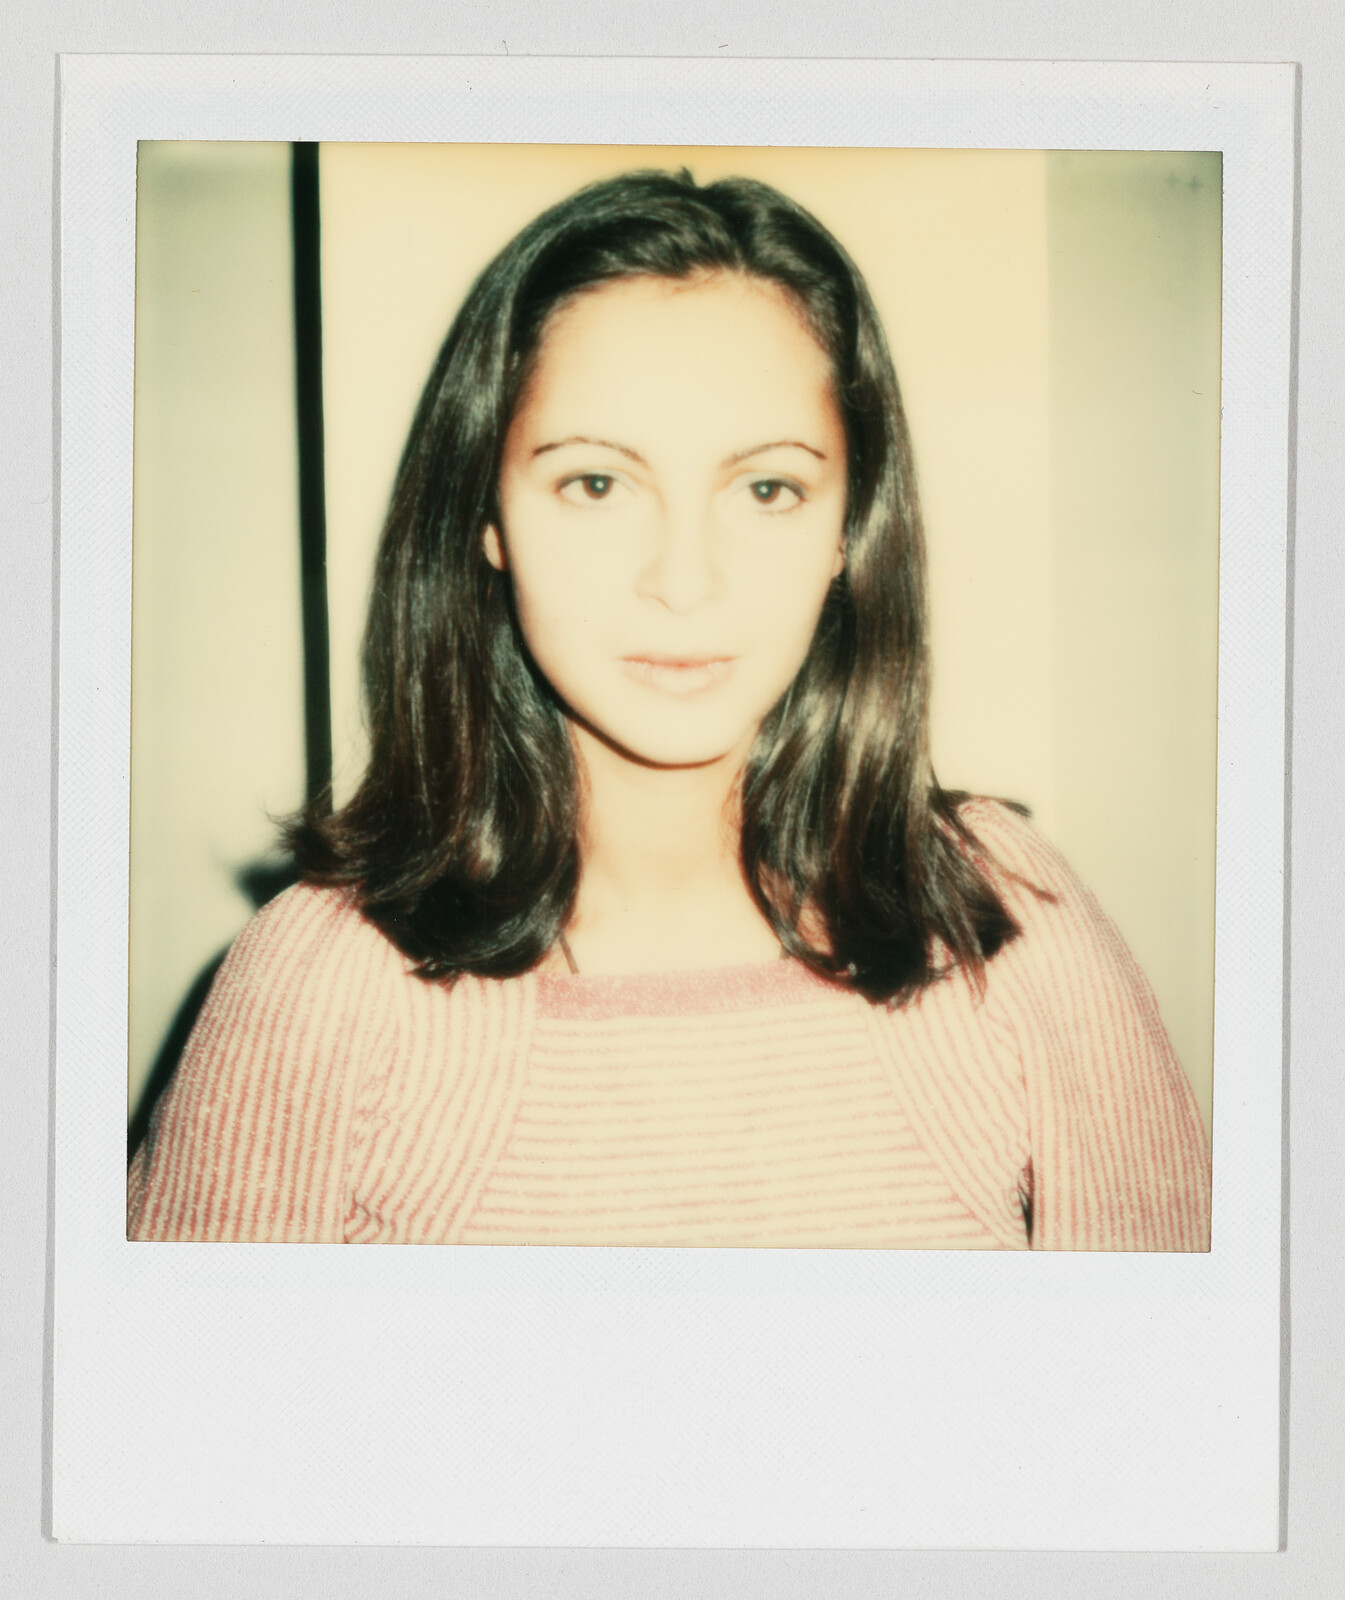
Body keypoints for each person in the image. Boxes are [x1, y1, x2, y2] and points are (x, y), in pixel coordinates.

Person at [127, 169, 1210, 1250]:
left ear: (847, 531)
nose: (684, 582)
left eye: (767, 488)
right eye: (595, 484)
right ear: (487, 518)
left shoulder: (1005, 917)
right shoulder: (326, 978)